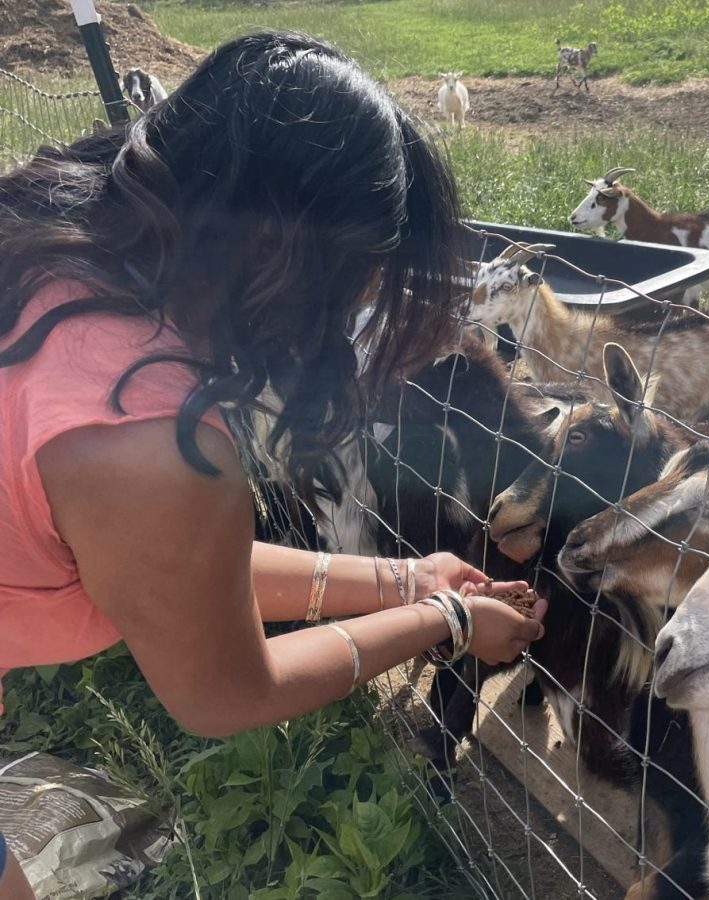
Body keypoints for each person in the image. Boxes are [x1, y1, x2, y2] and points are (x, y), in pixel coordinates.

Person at [0, 31, 546, 898]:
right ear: (300, 258)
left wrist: (406, 581)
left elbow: (183, 570)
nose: (356, 313)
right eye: (362, 280)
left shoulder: (58, 260)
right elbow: (225, 691)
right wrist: (446, 619)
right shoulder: (153, 439)